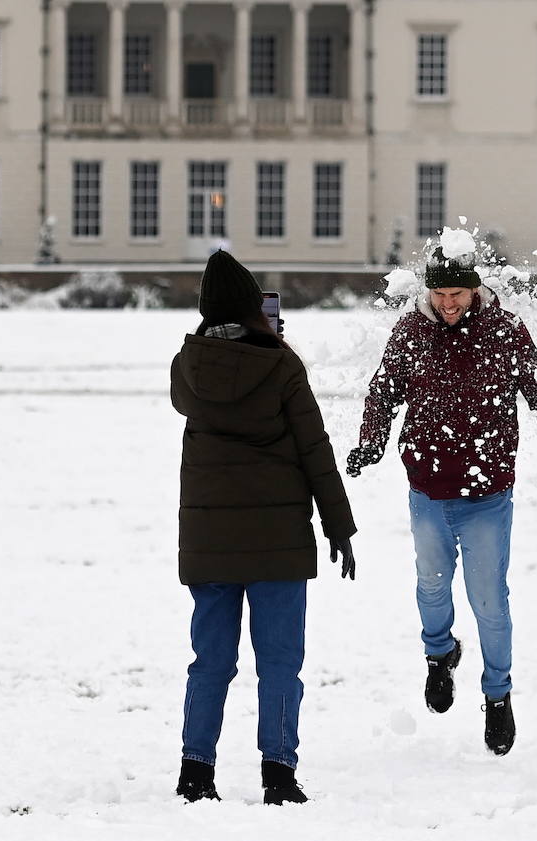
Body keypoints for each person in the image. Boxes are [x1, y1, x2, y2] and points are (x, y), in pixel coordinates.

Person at [345, 247, 537, 756]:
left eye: (457, 294)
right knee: (430, 584)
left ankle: (497, 695)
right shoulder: (409, 333)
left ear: (474, 290)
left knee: (489, 601)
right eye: (440, 295)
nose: (448, 304)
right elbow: (383, 393)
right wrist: (370, 443)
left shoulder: (504, 330)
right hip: (427, 486)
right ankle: (439, 655)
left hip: (488, 490)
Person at [170, 250, 357, 805]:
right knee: (279, 662)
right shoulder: (281, 365)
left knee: (211, 662)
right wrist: (338, 524)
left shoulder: (187, 367)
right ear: (256, 310)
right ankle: (278, 774)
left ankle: (195, 772)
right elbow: (314, 448)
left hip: (209, 542)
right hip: (279, 541)